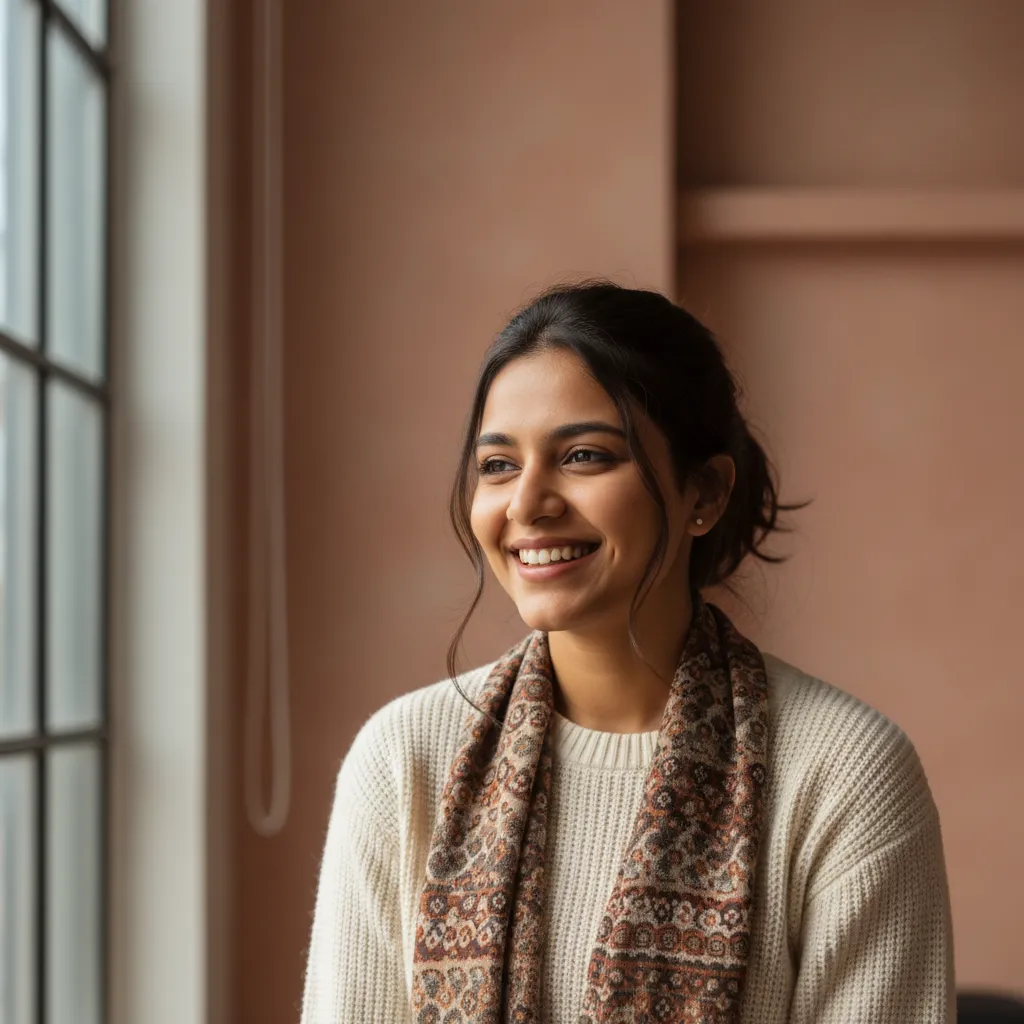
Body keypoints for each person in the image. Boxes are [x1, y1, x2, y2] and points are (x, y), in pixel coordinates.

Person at [301, 283, 954, 1023]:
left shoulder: (844, 773)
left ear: (703, 493)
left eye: (583, 456)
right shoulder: (404, 759)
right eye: (497, 465)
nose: (526, 504)